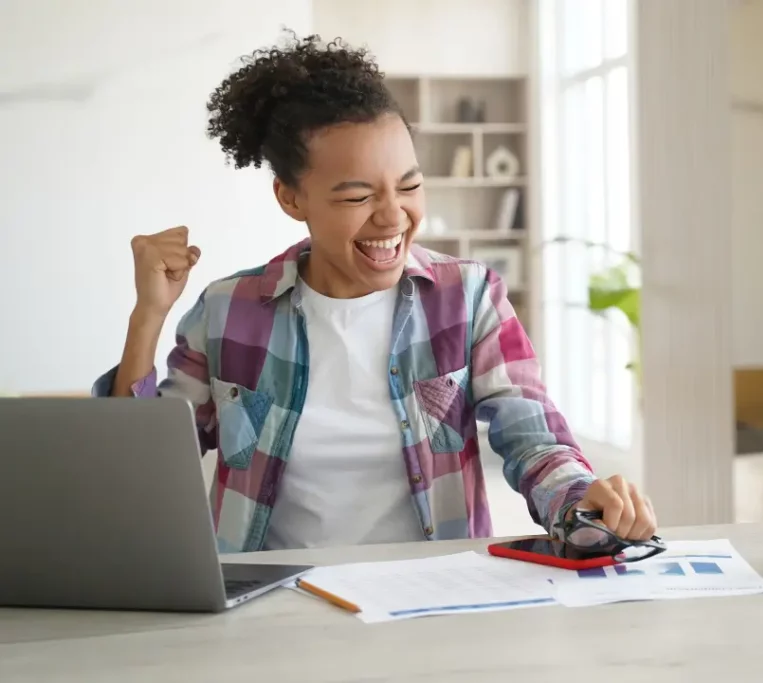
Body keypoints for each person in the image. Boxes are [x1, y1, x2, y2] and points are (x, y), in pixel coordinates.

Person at [94, 32, 658, 553]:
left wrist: (581, 501)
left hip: (430, 597)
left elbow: (533, 439)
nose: (393, 216)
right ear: (291, 200)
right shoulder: (227, 311)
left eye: (409, 185)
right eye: (357, 196)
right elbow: (140, 477)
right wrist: (148, 315)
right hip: (267, 604)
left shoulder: (467, 296)